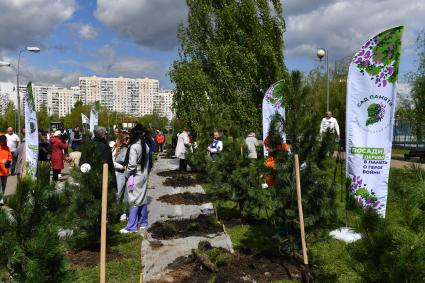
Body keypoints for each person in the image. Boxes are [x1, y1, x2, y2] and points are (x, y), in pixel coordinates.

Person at [120, 124, 150, 234]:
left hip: (134, 177)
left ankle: (131, 226)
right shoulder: (145, 145)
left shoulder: (134, 147)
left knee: (133, 200)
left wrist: (127, 175)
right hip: (143, 176)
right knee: (142, 197)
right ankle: (143, 222)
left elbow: (131, 165)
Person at [113, 132, 129, 204]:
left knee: (127, 195)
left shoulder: (128, 148)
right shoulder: (116, 149)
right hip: (119, 173)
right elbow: (112, 162)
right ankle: (116, 212)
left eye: (129, 138)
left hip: (127, 174)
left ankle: (124, 212)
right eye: (127, 138)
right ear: (122, 139)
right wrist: (122, 167)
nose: (128, 140)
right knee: (118, 194)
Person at [0, 135, 12, 205]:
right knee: (0, 185)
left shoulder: (7, 148)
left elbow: (10, 158)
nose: (2, 142)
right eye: (1, 141)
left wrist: (8, 161)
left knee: (4, 185)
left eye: (4, 141)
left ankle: (4, 198)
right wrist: (2, 161)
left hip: (5, 170)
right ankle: (1, 199)